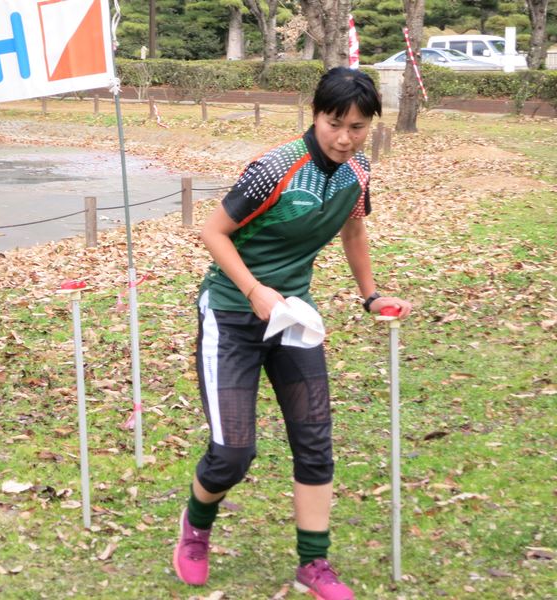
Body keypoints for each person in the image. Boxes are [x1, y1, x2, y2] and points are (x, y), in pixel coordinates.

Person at [172, 67, 412, 600]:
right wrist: (255, 290)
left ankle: (313, 563)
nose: (345, 138)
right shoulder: (276, 168)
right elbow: (213, 231)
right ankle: (195, 527)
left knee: (314, 442)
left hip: (293, 318)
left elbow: (353, 227)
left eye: (357, 127)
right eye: (335, 124)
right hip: (232, 315)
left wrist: (370, 295)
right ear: (315, 115)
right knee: (232, 454)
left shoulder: (358, 172)